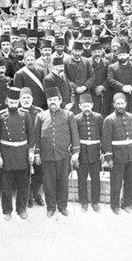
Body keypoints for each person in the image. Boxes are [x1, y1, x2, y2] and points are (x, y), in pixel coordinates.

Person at [33, 87, 79, 217]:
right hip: (46, 155)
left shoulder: (68, 115)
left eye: (54, 99)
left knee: (63, 181)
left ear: (60, 100)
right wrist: (37, 153)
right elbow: (36, 137)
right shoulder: (40, 116)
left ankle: (62, 206)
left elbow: (74, 134)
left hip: (63, 154)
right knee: (48, 182)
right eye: (49, 100)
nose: (52, 102)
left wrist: (76, 151)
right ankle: (51, 207)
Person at [0, 87, 34, 220]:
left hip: (22, 153)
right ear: (6, 101)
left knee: (23, 184)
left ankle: (21, 208)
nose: (13, 105)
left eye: (16, 103)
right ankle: (7, 211)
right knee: (6, 185)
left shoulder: (25, 114)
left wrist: (31, 152)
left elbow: (31, 135)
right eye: (11, 102)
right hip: (6, 153)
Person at [102, 93, 132, 214]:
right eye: (118, 103)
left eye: (122, 103)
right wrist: (109, 158)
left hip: (131, 155)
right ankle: (115, 206)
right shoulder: (109, 120)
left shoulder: (131, 117)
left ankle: (127, 204)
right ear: (114, 105)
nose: (120, 105)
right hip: (117, 156)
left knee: (130, 181)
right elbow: (106, 141)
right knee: (116, 182)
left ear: (126, 104)